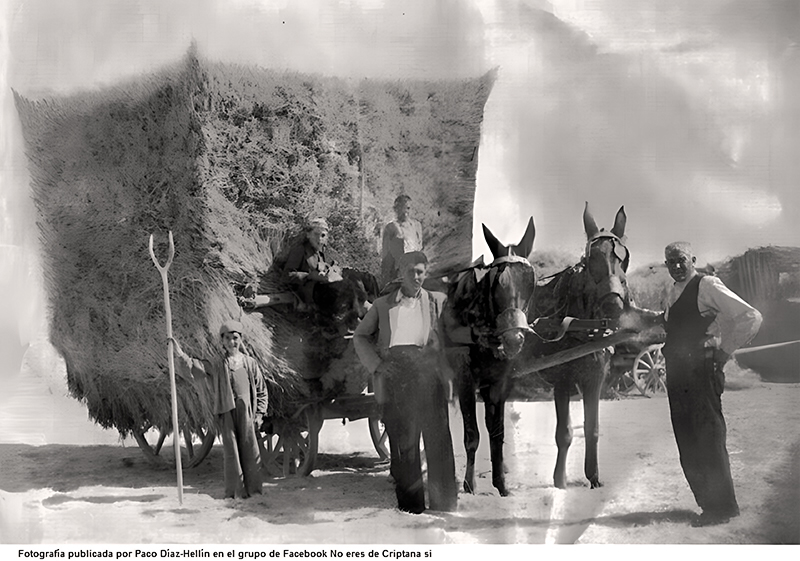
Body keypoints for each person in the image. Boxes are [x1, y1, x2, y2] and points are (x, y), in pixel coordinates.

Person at [660, 241, 762, 527]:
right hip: (678, 373)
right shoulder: (672, 290)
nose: (677, 266)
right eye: (671, 262)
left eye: (681, 260)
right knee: (687, 440)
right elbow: (672, 322)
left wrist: (724, 350)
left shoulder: (707, 285)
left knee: (708, 438)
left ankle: (723, 508)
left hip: (702, 371)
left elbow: (750, 316)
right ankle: (708, 505)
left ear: (692, 259)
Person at [353, 251, 458, 514]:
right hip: (397, 375)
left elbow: (451, 333)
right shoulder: (382, 305)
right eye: (411, 271)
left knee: (438, 438)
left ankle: (444, 503)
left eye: (421, 271)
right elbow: (361, 336)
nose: (416, 277)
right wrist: (377, 366)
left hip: (428, 372)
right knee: (406, 441)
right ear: (402, 271)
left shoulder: (436, 301)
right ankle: (412, 509)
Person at [171, 320, 268, 499]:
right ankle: (235, 492)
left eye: (236, 338)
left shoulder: (250, 363)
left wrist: (260, 413)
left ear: (241, 340)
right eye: (228, 338)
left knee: (250, 449)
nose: (232, 342)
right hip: (227, 411)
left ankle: (254, 490)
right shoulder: (217, 364)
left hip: (246, 412)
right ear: (222, 341)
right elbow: (195, 366)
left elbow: (261, 389)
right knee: (232, 452)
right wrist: (180, 354)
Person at [283, 217, 341, 310]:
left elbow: (329, 266)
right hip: (307, 295)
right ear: (308, 234)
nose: (319, 239)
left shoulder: (321, 252)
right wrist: (309, 276)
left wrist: (332, 270)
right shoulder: (300, 250)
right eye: (316, 234)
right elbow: (287, 276)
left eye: (323, 236)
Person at [380, 195, 424, 287]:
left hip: (414, 269)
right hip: (397, 270)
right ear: (396, 209)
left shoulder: (416, 225)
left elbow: (419, 246)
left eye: (407, 208)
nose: (405, 212)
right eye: (401, 208)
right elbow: (385, 253)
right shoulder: (391, 227)